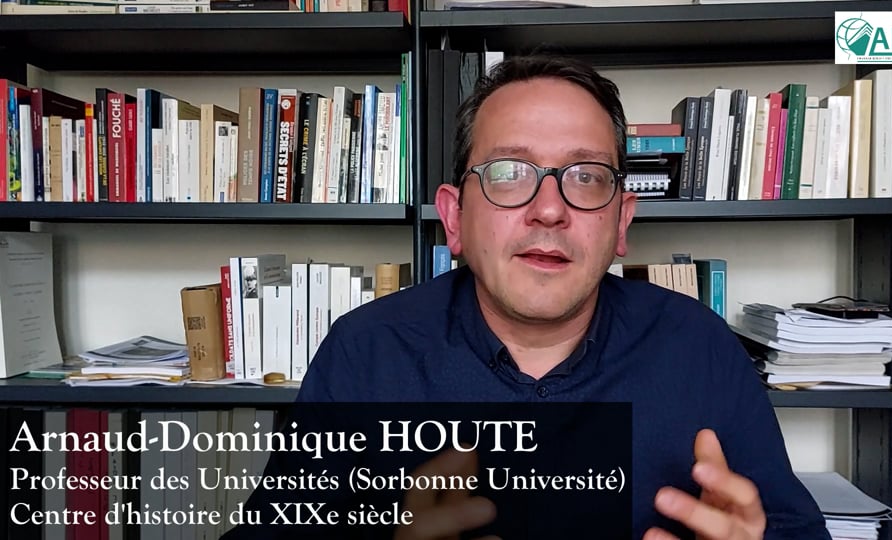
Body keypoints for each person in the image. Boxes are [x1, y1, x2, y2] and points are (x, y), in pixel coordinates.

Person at [227, 54, 830, 540]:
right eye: (509, 172)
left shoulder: (698, 345)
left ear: (622, 222)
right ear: (454, 219)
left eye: (586, 177)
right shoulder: (365, 351)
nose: (549, 210)